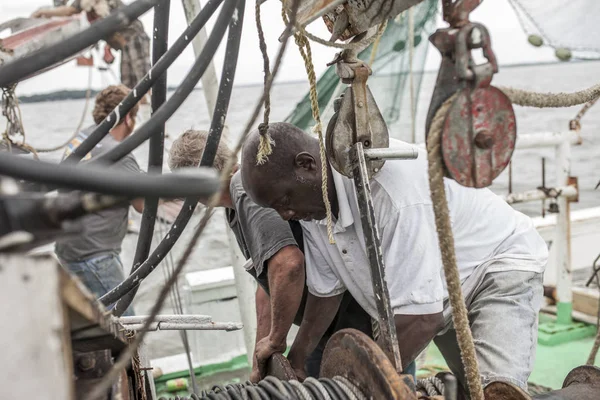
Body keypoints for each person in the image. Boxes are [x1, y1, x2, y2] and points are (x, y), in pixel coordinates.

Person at [240, 122, 548, 395]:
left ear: (307, 165)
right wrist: (297, 358)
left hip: (497, 267)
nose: (286, 215)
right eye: (276, 210)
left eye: (285, 201)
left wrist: (354, 385)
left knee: (496, 393)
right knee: (468, 389)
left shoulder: (391, 195)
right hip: (440, 297)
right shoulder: (316, 210)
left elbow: (421, 319)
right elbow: (326, 290)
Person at [167, 130, 391, 382]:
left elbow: (288, 264)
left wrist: (276, 340)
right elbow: (268, 288)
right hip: (324, 326)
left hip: (354, 325)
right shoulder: (235, 205)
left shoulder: (245, 192)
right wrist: (258, 362)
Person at [56, 84, 144, 315]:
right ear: (127, 118)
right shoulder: (118, 152)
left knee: (92, 328)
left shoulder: (82, 138)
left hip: (68, 251)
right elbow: (143, 204)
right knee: (126, 329)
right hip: (96, 257)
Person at [32, 0, 151, 91]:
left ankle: (149, 114)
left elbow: (70, 10)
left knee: (141, 79)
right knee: (128, 84)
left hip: (134, 38)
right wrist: (108, 45)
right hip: (125, 41)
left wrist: (43, 13)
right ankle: (136, 116)